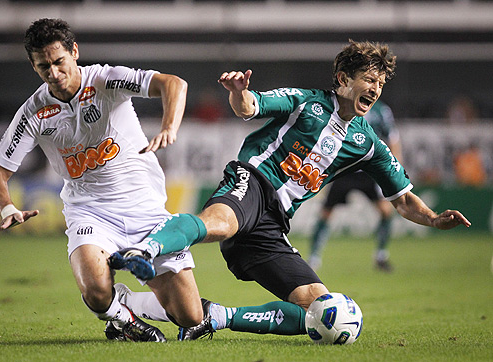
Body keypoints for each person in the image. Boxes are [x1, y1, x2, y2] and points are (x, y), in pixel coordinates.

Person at [110, 40, 471, 340]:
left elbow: (404, 199)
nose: (375, 89)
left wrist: (435, 219)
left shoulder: (367, 142)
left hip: (273, 222)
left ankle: (214, 316)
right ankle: (145, 249)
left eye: (380, 83)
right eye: (369, 80)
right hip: (252, 181)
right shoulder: (307, 102)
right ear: (344, 78)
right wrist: (239, 93)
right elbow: (251, 106)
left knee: (318, 309)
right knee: (220, 223)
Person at [0, 18, 205, 343]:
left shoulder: (105, 79)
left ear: (74, 52)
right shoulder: (33, 112)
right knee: (97, 291)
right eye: (43, 66)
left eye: (59, 62)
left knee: (190, 316)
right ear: (34, 66)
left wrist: (169, 127)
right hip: (90, 212)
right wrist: (6, 209)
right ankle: (117, 314)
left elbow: (174, 84)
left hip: (145, 207)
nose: (54, 73)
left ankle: (125, 301)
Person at [308, 100, 402, 272]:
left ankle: (381, 255)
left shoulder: (381, 111)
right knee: (326, 213)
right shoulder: (342, 105)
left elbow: (392, 139)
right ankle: (314, 259)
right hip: (345, 169)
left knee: (386, 211)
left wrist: (396, 169)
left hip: (369, 171)